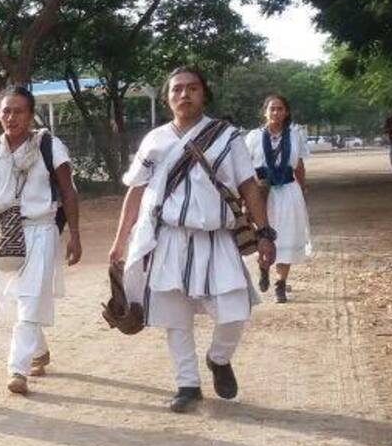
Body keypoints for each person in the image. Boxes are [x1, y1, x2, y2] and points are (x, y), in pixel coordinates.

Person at [108, 66, 276, 413]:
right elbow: (136, 191)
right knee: (174, 315)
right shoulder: (154, 140)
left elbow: (247, 185)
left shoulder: (228, 137)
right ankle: (187, 384)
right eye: (177, 90)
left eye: (192, 88)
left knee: (234, 310)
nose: (184, 95)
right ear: (168, 97)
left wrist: (264, 232)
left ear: (204, 93)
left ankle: (218, 358)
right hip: (168, 238)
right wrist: (120, 239)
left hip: (216, 238)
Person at [0, 85, 81, 396]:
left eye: (19, 111)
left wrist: (75, 235)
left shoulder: (49, 146)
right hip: (1, 232)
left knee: (28, 298)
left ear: (30, 114)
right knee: (12, 299)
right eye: (6, 111)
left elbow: (68, 191)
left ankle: (17, 369)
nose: (11, 117)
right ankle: (38, 352)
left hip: (40, 230)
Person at [245, 94, 312, 303]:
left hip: (288, 191)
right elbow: (245, 169)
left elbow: (299, 165)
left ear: (286, 112)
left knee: (287, 236)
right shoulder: (253, 137)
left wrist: (302, 190)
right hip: (263, 193)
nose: (276, 113)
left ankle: (280, 284)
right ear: (265, 112)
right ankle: (264, 267)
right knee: (264, 234)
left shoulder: (294, 135)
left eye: (280, 109)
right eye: (272, 109)